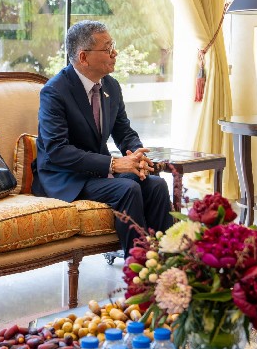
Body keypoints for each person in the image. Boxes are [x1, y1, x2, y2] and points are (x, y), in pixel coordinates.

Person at [32, 20, 173, 255]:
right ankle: (138, 267)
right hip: (65, 176)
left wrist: (137, 155)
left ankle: (167, 263)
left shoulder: (111, 86)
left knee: (157, 185)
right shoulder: (54, 92)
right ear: (83, 57)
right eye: (107, 48)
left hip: (96, 172)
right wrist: (114, 164)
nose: (114, 53)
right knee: (128, 189)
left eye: (112, 46)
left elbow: (124, 131)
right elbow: (57, 151)